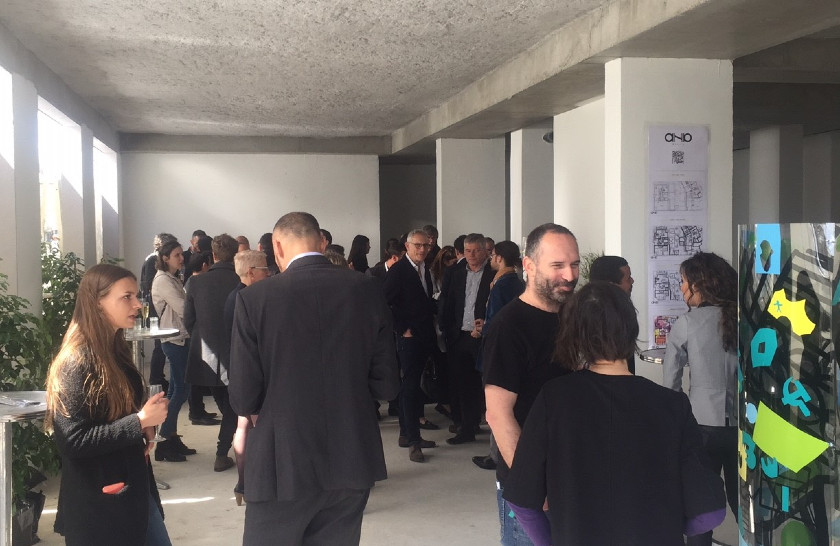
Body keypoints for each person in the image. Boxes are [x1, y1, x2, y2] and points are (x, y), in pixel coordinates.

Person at [503, 282, 726, 545]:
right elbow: (709, 513)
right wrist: (669, 527)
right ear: (632, 329)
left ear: (574, 335)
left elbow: (522, 499)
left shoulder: (553, 399)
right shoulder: (672, 405)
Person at [229, 212, 400, 545]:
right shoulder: (366, 288)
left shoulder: (254, 299)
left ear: (277, 246)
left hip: (282, 459)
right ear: (322, 242)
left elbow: (244, 395)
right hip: (352, 450)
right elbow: (387, 385)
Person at [46, 264, 171, 545]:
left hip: (133, 490)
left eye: (136, 296)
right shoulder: (76, 362)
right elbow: (73, 441)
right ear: (97, 302)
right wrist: (138, 421)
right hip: (102, 504)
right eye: (126, 297)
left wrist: (143, 425)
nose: (137, 304)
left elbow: (112, 415)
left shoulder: (115, 352)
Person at [483, 223, 579, 546]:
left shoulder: (574, 318)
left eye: (575, 264)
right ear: (529, 265)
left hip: (574, 480)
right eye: (558, 265)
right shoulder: (508, 327)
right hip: (531, 492)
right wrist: (535, 484)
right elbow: (498, 415)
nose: (569, 275)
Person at [663, 251, 739, 546]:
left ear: (700, 284)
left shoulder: (687, 323)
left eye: (684, 281)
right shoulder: (744, 320)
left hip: (701, 427)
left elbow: (671, 383)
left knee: (700, 508)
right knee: (744, 504)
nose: (682, 287)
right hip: (744, 428)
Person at [184, 233, 242, 473]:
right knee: (233, 405)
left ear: (213, 255)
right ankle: (222, 451)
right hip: (237, 351)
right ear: (236, 254)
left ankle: (224, 449)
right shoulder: (242, 280)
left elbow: (188, 320)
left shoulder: (196, 282)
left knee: (226, 403)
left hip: (206, 352)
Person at [383, 228, 438, 462]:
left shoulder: (425, 268)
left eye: (426, 245)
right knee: (410, 388)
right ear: (407, 246)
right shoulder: (399, 271)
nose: (422, 249)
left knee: (414, 386)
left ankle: (406, 434)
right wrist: (401, 328)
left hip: (424, 334)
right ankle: (413, 441)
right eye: (418, 245)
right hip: (409, 336)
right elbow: (385, 304)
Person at [224, 249, 272, 506]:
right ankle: (249, 483)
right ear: (252, 273)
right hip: (248, 371)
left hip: (238, 368)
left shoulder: (234, 296)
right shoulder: (246, 298)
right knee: (251, 426)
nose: (270, 274)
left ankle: (243, 485)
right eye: (266, 270)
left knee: (244, 424)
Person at [472, 240, 524, 471]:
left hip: (497, 350)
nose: (490, 258)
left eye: (492, 255)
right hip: (511, 349)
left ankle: (497, 455)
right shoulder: (516, 281)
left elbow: (497, 320)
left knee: (496, 406)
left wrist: (482, 329)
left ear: (500, 257)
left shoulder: (503, 284)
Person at [439, 233, 494, 444]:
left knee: (487, 383)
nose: (471, 255)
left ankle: (490, 425)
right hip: (459, 336)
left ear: (485, 251)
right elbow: (446, 302)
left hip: (483, 337)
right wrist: (446, 329)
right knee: (463, 383)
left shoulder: (493, 274)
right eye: (468, 251)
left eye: (476, 251)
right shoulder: (455, 272)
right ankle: (466, 427)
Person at [151, 239, 197, 462]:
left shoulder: (172, 277)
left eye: (181, 254)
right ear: (165, 258)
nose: (182, 258)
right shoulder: (163, 280)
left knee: (177, 390)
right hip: (174, 340)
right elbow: (183, 307)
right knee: (180, 390)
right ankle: (164, 442)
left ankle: (170, 437)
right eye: (177, 255)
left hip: (180, 337)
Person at [140, 232, 176, 390]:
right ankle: (155, 379)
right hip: (155, 308)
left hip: (156, 307)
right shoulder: (152, 260)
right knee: (160, 344)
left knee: (161, 344)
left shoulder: (154, 259)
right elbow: (150, 284)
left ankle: (158, 378)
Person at [589, 255, 637, 374]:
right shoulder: (591, 319)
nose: (632, 281)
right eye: (628, 278)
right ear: (611, 285)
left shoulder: (622, 309)